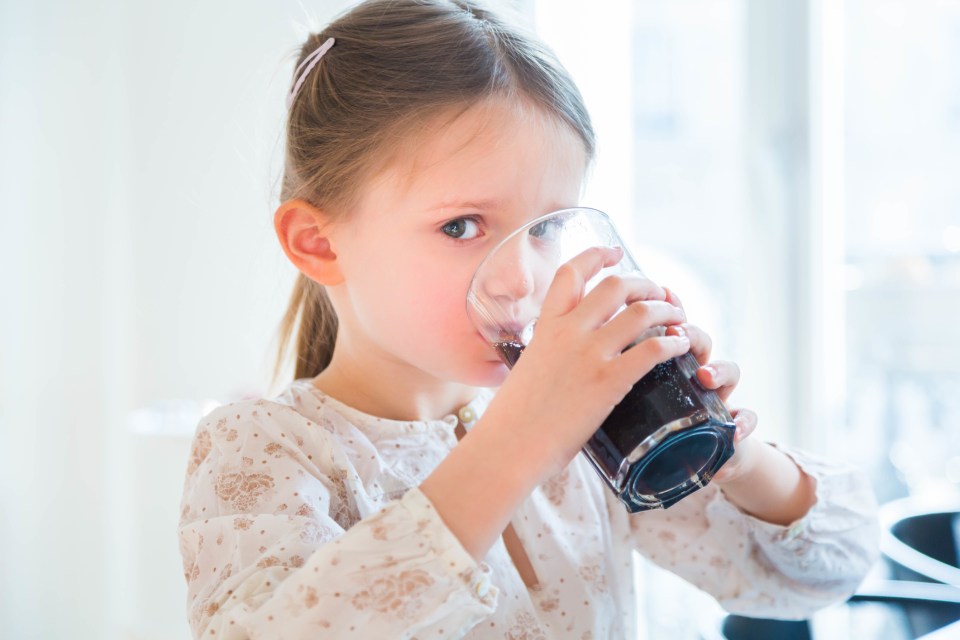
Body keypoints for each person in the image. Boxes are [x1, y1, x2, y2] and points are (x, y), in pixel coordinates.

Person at [178, 1, 879, 637]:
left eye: (546, 229)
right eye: (460, 227)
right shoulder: (266, 449)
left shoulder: (588, 434)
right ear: (320, 243)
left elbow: (821, 576)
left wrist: (727, 450)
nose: (522, 277)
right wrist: (525, 434)